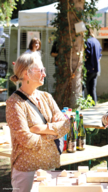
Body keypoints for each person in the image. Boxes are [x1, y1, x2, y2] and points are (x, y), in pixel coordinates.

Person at [6, 52, 70, 192]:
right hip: (27, 171)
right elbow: (26, 139)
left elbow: (66, 125)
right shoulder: (14, 102)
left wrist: (39, 129)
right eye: (41, 70)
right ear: (26, 73)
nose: (44, 74)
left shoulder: (46, 97)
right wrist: (54, 131)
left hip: (49, 167)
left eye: (44, 70)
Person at [84, 28, 102, 104]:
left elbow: (86, 55)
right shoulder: (97, 41)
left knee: (82, 88)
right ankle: (94, 105)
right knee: (92, 89)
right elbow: (100, 56)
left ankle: (83, 105)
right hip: (96, 69)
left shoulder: (87, 41)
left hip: (88, 68)